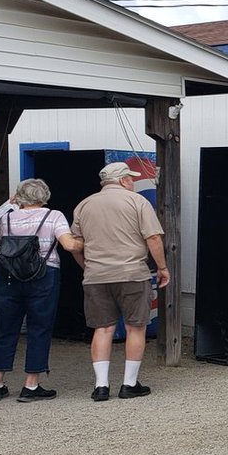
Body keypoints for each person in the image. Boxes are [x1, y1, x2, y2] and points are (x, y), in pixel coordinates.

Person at [70, 162, 170, 402]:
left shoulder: (84, 205)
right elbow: (153, 237)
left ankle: (101, 386)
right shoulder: (137, 202)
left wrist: (88, 266)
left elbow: (75, 245)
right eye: (131, 178)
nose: (133, 182)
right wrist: (162, 268)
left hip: (96, 276)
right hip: (132, 273)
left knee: (103, 328)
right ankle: (129, 383)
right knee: (135, 327)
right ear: (124, 180)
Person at [0, 180, 82, 403]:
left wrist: (11, 204)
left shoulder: (7, 217)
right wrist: (85, 242)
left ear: (19, 196)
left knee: (6, 329)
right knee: (39, 327)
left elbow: (1, 240)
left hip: (9, 276)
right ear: (45, 196)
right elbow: (69, 245)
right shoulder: (54, 216)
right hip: (43, 275)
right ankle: (30, 385)